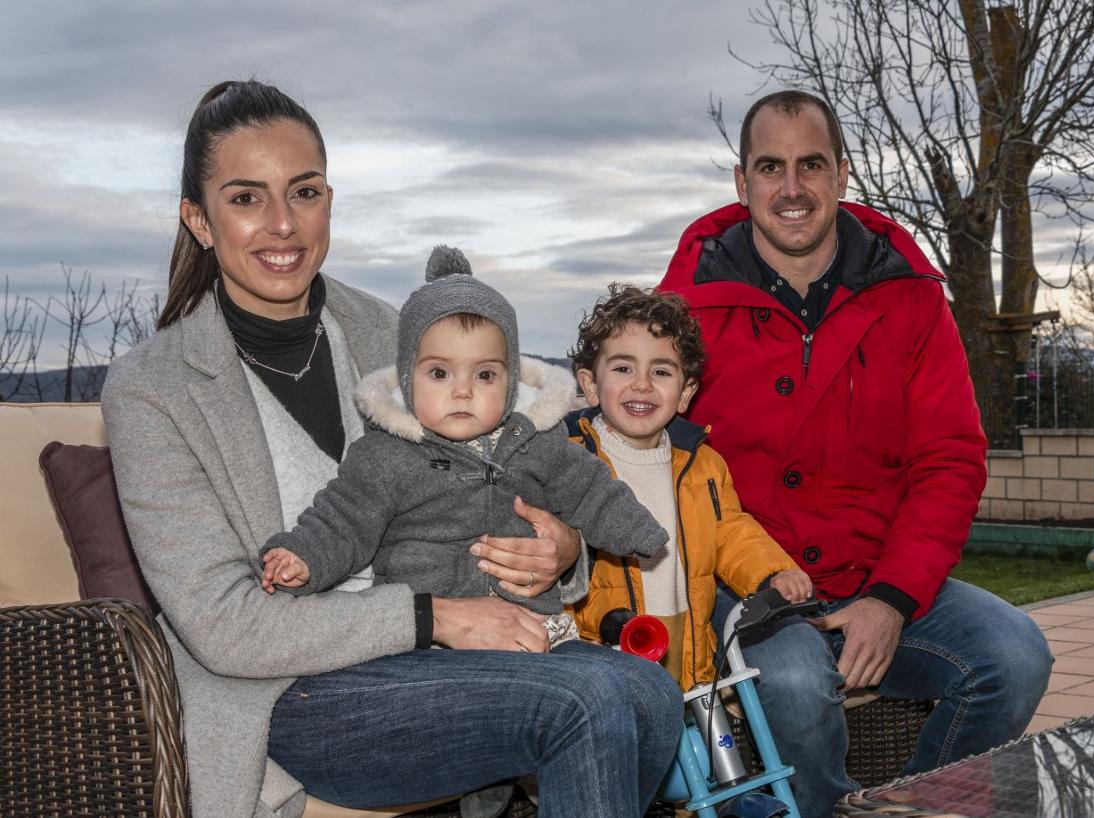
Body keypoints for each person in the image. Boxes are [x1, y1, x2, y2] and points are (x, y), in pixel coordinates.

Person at [102, 79, 681, 818]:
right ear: (200, 220)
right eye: (247, 198)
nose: (282, 224)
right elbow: (224, 625)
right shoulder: (153, 388)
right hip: (288, 692)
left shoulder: (402, 335)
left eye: (303, 192)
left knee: (652, 695)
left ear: (329, 201)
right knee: (589, 695)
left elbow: (512, 468)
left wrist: (561, 552)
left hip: (446, 660)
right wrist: (432, 617)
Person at [657, 90, 1053, 814]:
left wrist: (894, 598)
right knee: (795, 687)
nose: (792, 188)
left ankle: (917, 805)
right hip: (751, 589)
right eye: (770, 167)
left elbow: (950, 456)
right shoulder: (688, 305)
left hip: (876, 570)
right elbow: (640, 437)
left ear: (842, 174)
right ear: (742, 184)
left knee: (1016, 655)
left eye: (811, 165)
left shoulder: (908, 296)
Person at [260, 255, 668, 652]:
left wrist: (637, 531)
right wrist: (304, 557)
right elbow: (343, 521)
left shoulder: (535, 442)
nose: (462, 391)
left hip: (535, 630)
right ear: (407, 378)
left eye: (485, 375)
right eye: (439, 373)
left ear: (510, 384)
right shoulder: (386, 454)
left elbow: (591, 489)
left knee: (638, 688)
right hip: (433, 645)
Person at [565, 284, 811, 689]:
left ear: (686, 393)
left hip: (689, 649)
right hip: (603, 660)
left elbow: (731, 531)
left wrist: (773, 573)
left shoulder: (704, 465)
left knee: (698, 744)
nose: (642, 385)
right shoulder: (571, 463)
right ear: (591, 385)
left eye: (661, 371)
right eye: (623, 369)